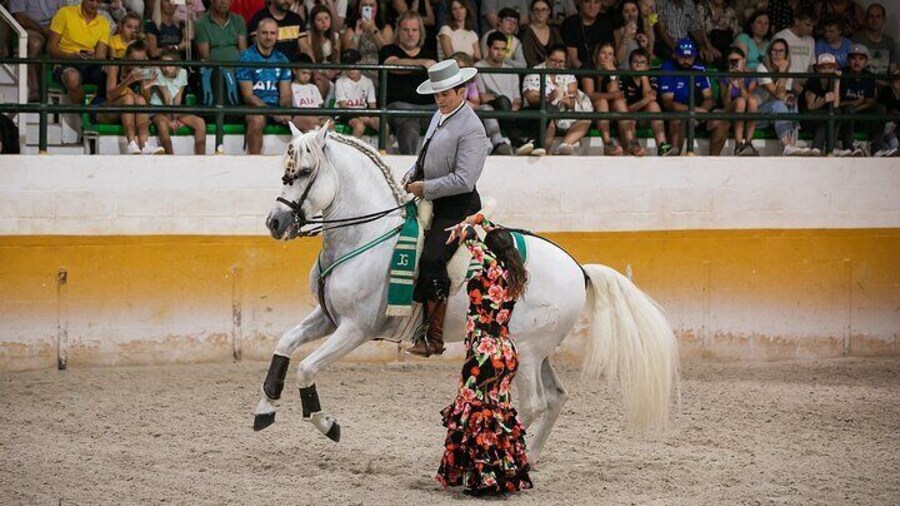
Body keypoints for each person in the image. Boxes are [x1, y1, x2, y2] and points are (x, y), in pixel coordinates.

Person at [436, 218, 532, 497]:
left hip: (483, 352)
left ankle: (485, 480)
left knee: (476, 414)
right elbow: (495, 236)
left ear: (491, 250)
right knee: (497, 414)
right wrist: (481, 220)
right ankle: (501, 474)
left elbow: (468, 237)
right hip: (506, 350)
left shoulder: (487, 265)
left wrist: (464, 226)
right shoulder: (516, 271)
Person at [402, 58, 490, 358]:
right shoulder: (440, 116)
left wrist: (424, 188)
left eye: (445, 94)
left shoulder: (472, 129)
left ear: (462, 91)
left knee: (432, 257)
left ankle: (434, 336)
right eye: (437, 95)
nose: (440, 100)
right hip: (434, 200)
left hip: (458, 207)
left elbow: (465, 180)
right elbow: (426, 154)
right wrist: (413, 173)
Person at [658, 38, 731, 156]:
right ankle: (673, 162)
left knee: (721, 121)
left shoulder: (699, 68)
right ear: (675, 55)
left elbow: (709, 97)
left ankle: (713, 163)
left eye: (690, 57)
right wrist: (693, 111)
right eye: (682, 57)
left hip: (698, 112)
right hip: (679, 113)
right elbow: (668, 102)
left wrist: (702, 110)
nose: (686, 60)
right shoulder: (667, 68)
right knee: (677, 120)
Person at [380, 11, 438, 154]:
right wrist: (422, 63)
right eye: (406, 30)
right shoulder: (388, 50)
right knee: (408, 122)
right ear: (398, 31)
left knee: (453, 113)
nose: (410, 34)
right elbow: (393, 64)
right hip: (400, 107)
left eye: (414, 30)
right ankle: (409, 168)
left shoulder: (430, 53)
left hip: (429, 108)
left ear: (420, 32)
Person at [522, 43, 592, 156]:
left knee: (586, 119)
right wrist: (548, 98)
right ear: (546, 58)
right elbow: (531, 97)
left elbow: (573, 94)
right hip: (543, 112)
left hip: (564, 112)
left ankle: (564, 146)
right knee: (549, 120)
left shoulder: (568, 74)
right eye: (554, 60)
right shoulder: (535, 72)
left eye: (561, 62)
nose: (557, 64)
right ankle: (544, 154)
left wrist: (569, 102)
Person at [236, 18, 293, 154]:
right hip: (254, 108)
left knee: (310, 121)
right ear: (257, 34)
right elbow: (248, 96)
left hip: (277, 108)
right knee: (257, 120)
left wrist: (284, 109)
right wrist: (273, 113)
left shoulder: (282, 59)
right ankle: (255, 166)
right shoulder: (246, 58)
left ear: (277, 36)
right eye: (265, 33)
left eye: (273, 33)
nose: (269, 37)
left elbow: (285, 94)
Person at [97, 40, 164, 155]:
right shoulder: (115, 66)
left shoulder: (144, 70)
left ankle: (144, 145)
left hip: (128, 112)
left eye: (141, 61)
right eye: (134, 60)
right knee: (128, 98)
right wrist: (129, 80)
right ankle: (131, 144)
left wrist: (145, 83)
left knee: (140, 100)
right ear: (127, 58)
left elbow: (146, 102)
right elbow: (109, 95)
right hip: (104, 109)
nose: (137, 65)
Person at [476, 31, 532, 155]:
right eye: (496, 48)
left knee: (535, 110)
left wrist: (512, 107)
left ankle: (537, 145)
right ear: (488, 48)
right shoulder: (478, 67)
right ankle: (516, 141)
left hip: (511, 111)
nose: (500, 53)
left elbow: (517, 99)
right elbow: (483, 98)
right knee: (502, 100)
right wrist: (501, 101)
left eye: (503, 49)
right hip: (494, 108)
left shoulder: (511, 70)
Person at [47, 0, 111, 105]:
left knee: (112, 72)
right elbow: (51, 48)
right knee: (72, 77)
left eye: (98, 1)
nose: (94, 4)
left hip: (89, 64)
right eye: (91, 0)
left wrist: (93, 57)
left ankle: (101, 112)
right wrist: (69, 56)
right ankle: (83, 116)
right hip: (65, 62)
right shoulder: (65, 13)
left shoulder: (103, 22)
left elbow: (101, 56)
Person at [754, 38, 807, 156]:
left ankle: (792, 144)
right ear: (769, 53)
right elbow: (779, 95)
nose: (777, 55)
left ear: (786, 54)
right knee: (779, 104)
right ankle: (787, 146)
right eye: (774, 51)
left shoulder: (789, 70)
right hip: (758, 114)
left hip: (774, 114)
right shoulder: (761, 68)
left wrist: (789, 98)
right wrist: (782, 73)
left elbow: (785, 96)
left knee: (792, 102)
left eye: (781, 51)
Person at [150, 49, 207, 155]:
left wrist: (175, 118)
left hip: (175, 109)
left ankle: (201, 158)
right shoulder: (158, 72)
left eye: (170, 65)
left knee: (200, 123)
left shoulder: (183, 72)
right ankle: (170, 157)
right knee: (162, 124)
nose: (166, 68)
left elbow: (178, 98)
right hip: (158, 109)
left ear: (176, 65)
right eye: (163, 65)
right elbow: (166, 98)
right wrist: (170, 121)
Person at [9, 0, 66, 102]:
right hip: (28, 28)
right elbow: (20, 17)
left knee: (68, 40)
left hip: (53, 27)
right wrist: (41, 30)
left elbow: (63, 13)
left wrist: (54, 30)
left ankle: (62, 82)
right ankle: (34, 88)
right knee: (36, 43)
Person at [621, 48, 674, 156]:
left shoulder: (651, 77)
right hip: (629, 117)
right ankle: (635, 148)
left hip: (645, 117)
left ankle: (662, 145)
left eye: (642, 62)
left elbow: (651, 97)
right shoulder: (624, 79)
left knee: (653, 105)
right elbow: (625, 109)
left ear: (647, 66)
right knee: (630, 118)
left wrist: (644, 77)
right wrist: (645, 100)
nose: (638, 65)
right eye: (635, 62)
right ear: (630, 64)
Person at [582, 43, 631, 155]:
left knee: (619, 102)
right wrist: (611, 96)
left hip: (609, 111)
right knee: (602, 101)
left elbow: (616, 95)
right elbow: (589, 94)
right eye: (603, 53)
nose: (606, 57)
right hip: (589, 108)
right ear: (597, 54)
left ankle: (630, 141)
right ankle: (608, 143)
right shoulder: (588, 66)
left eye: (610, 54)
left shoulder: (613, 69)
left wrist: (612, 75)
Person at [838, 43, 886, 157]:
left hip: (859, 115)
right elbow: (836, 103)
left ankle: (877, 149)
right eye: (853, 58)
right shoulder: (840, 74)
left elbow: (870, 101)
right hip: (843, 117)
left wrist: (856, 107)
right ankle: (849, 148)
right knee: (847, 109)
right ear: (848, 60)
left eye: (861, 58)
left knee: (880, 108)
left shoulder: (868, 76)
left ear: (866, 61)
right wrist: (853, 104)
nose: (857, 62)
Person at [341, 0, 395, 87]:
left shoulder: (386, 28)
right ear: (358, 8)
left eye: (371, 5)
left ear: (377, 8)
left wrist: (373, 28)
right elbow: (349, 56)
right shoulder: (351, 29)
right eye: (364, 5)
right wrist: (357, 35)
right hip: (357, 71)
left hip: (379, 70)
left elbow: (387, 52)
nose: (368, 8)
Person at [720, 46, 759, 155]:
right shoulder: (724, 77)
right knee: (740, 102)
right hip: (730, 110)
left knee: (751, 101)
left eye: (737, 61)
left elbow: (749, 99)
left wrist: (741, 86)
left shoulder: (750, 77)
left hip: (747, 111)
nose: (735, 63)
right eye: (732, 61)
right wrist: (730, 85)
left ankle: (748, 142)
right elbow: (725, 103)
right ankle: (738, 144)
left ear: (744, 60)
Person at [801, 52, 841, 155]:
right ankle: (821, 149)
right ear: (818, 69)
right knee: (826, 116)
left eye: (830, 67)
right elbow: (810, 107)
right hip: (807, 119)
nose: (827, 71)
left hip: (823, 118)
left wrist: (836, 82)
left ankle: (827, 149)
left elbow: (835, 105)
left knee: (836, 113)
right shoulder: (814, 80)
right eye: (823, 67)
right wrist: (823, 100)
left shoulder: (834, 80)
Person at [299, 5, 342, 98]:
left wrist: (333, 72)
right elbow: (311, 62)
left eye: (326, 18)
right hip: (316, 73)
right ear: (313, 23)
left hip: (331, 74)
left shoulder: (335, 37)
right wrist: (321, 74)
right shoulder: (309, 37)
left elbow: (337, 62)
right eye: (319, 20)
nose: (324, 22)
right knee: (320, 82)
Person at [335, 49, 379, 137]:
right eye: (348, 64)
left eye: (354, 64)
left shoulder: (368, 82)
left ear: (360, 63)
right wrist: (361, 117)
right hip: (345, 114)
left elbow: (373, 106)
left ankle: (382, 150)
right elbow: (344, 107)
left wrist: (371, 118)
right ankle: (352, 150)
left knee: (382, 124)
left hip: (363, 113)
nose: (351, 68)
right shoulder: (340, 82)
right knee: (359, 126)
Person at [561, 0, 615, 70]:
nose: (592, 6)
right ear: (580, 4)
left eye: (596, 2)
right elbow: (573, 59)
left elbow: (610, 55)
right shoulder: (570, 23)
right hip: (578, 71)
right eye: (587, 2)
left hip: (602, 70)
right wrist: (588, 74)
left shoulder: (606, 24)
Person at [772, 7, 816, 94]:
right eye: (807, 25)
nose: (810, 29)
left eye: (813, 26)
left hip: (804, 83)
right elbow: (773, 64)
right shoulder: (781, 37)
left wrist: (812, 83)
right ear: (796, 21)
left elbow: (810, 66)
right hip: (784, 83)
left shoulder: (811, 40)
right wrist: (791, 82)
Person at [853, 3, 896, 76]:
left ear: (884, 19)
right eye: (871, 16)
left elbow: (893, 70)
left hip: (885, 85)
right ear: (866, 19)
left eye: (878, 16)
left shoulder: (889, 42)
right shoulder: (857, 39)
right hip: (864, 84)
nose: (874, 20)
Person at [518, 0, 563, 68]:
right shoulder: (526, 31)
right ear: (532, 12)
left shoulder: (554, 31)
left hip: (555, 70)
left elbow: (561, 52)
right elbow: (529, 59)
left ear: (549, 11)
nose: (540, 13)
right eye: (536, 10)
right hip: (533, 73)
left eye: (544, 9)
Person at [697, 0, 740, 69]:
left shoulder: (729, 10)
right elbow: (699, 29)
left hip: (725, 45)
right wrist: (709, 47)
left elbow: (736, 32)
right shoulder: (702, 7)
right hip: (707, 44)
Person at [289, 53, 327, 132]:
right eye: (304, 73)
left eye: (309, 74)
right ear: (295, 70)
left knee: (329, 122)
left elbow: (319, 105)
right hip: (299, 116)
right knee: (312, 123)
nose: (306, 76)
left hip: (315, 116)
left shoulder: (313, 87)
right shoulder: (291, 87)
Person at [613, 0, 654, 70]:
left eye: (633, 10)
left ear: (638, 12)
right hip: (624, 73)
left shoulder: (644, 30)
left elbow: (649, 62)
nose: (630, 14)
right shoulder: (618, 32)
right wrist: (625, 37)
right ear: (622, 15)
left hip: (640, 75)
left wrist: (644, 47)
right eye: (626, 11)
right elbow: (618, 60)